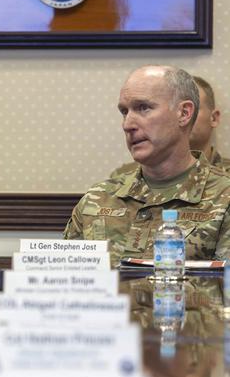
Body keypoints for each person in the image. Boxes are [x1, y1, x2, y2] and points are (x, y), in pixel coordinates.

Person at [64, 65, 230, 264]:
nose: (128, 124)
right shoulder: (97, 199)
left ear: (184, 113)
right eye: (124, 112)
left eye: (143, 108)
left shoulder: (224, 199)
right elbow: (67, 284)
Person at [111, 75, 225, 177]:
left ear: (214, 118)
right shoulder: (122, 177)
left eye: (187, 111)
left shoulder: (225, 183)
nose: (180, 116)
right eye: (125, 112)